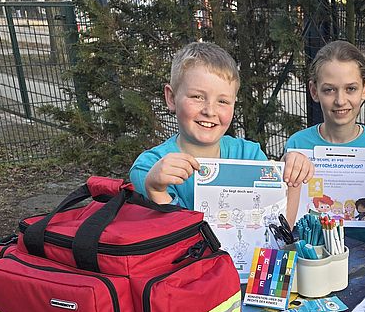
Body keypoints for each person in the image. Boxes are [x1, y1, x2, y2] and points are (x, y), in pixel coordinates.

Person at [130, 41, 313, 221]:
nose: (209, 111)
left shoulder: (249, 155)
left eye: (223, 101)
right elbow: (174, 234)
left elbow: (280, 230)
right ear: (171, 98)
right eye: (197, 97)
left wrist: (292, 176)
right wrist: (156, 191)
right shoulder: (149, 168)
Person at [284, 39, 365, 242]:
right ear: (314, 91)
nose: (340, 100)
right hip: (310, 253)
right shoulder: (297, 145)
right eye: (329, 90)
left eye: (350, 88)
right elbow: (284, 217)